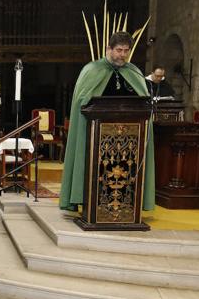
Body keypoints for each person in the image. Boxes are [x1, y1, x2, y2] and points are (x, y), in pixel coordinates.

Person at [60, 31, 155, 212]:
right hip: (98, 138)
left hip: (130, 139)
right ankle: (93, 202)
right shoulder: (92, 70)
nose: (123, 55)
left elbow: (143, 103)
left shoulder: (133, 72)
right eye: (119, 50)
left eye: (126, 50)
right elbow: (82, 102)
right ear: (108, 49)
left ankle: (127, 204)